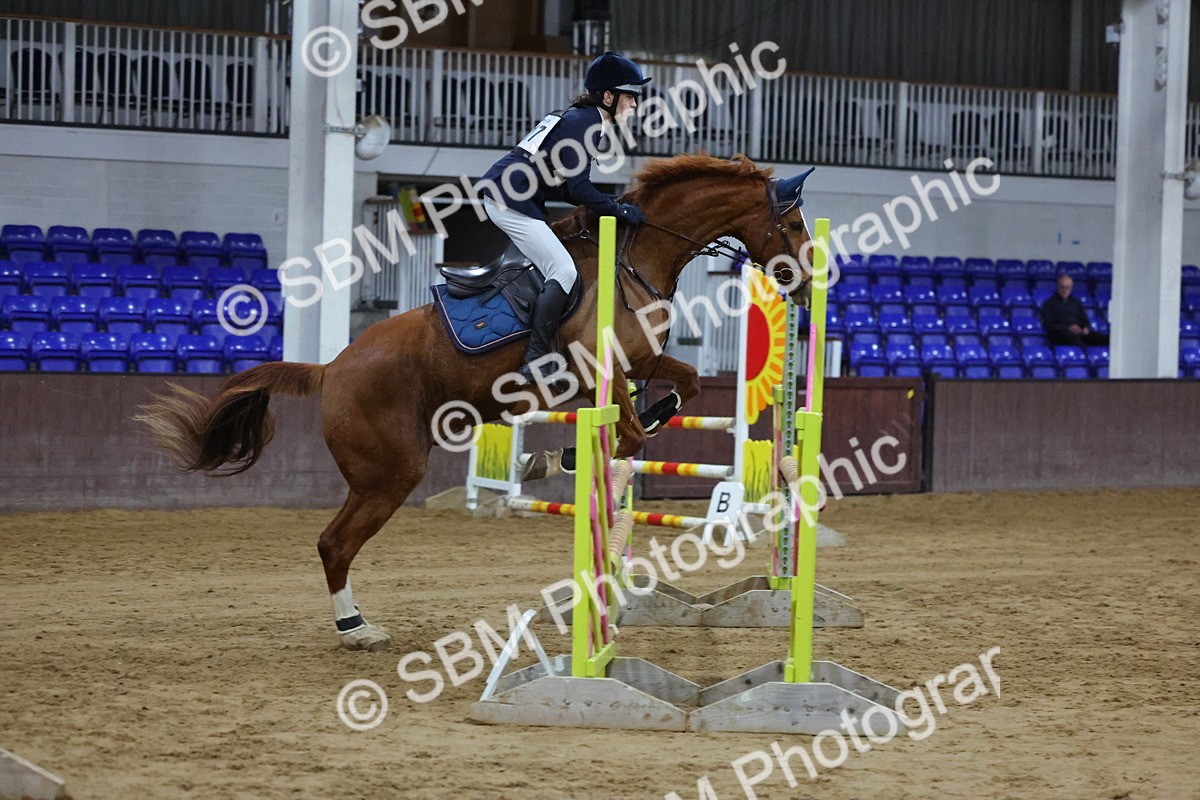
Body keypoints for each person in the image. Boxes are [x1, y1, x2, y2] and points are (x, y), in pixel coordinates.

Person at [479, 51, 650, 386]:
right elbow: (579, 187)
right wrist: (617, 209)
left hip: (508, 194)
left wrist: (609, 204)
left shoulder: (579, 118)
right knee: (564, 269)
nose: (634, 105)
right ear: (609, 96)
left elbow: (570, 190)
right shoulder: (585, 123)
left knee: (559, 264)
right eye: (630, 96)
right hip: (508, 198)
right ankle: (535, 360)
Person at [1039, 274, 1109, 346]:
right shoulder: (1049, 303)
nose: (1065, 290)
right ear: (1058, 287)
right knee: (1075, 339)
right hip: (1060, 335)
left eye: (1067, 287)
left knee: (1105, 339)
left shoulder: (1076, 302)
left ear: (1071, 288)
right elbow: (1048, 325)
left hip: (1078, 333)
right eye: (1063, 287)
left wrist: (1085, 328)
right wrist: (1068, 328)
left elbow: (1084, 321)